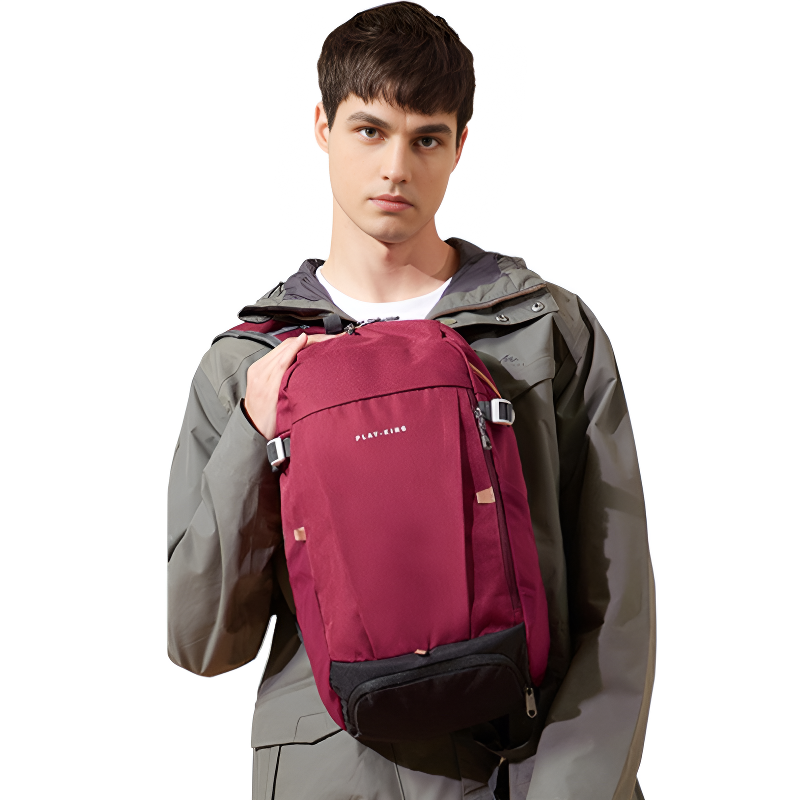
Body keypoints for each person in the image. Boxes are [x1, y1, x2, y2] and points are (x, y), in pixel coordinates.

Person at [167, 3, 655, 798]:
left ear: (460, 145)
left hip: (523, 769)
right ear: (322, 126)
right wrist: (254, 431)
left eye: (426, 138)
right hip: (331, 778)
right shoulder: (246, 363)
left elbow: (618, 603)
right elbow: (202, 640)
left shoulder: (544, 331)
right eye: (370, 130)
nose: (395, 167)